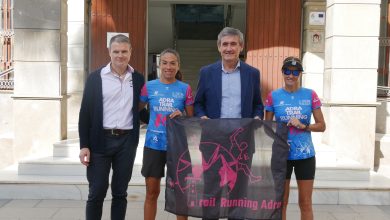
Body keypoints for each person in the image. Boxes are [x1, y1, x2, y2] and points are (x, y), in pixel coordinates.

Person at [194, 27, 263, 220]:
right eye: (225, 44)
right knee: (212, 189)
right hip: (214, 141)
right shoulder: (207, 72)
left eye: (233, 44)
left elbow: (258, 104)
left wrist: (257, 117)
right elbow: (198, 103)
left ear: (241, 46)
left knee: (238, 191)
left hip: (241, 142)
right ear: (219, 47)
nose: (229, 48)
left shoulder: (252, 73)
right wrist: (202, 116)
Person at [78, 34, 146, 220]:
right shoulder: (95, 78)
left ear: (130, 52)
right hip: (100, 142)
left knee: (120, 192)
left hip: (126, 143)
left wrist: (166, 116)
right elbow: (85, 114)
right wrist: (84, 145)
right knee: (97, 191)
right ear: (109, 52)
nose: (120, 55)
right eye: (116, 51)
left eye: (124, 51)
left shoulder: (138, 79)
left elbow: (140, 111)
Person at [264, 56, 326, 220]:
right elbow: (267, 128)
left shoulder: (310, 95)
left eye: (295, 72)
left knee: (305, 203)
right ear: (282, 72)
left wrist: (304, 126)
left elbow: (322, 125)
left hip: (305, 156)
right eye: (287, 71)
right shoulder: (273, 96)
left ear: (300, 74)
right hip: (282, 156)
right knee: (281, 202)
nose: (290, 75)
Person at [139, 48, 194, 220]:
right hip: (153, 145)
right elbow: (136, 111)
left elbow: (192, 118)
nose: (168, 67)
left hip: (178, 146)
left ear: (178, 65)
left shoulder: (185, 88)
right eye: (164, 63)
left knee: (180, 193)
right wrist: (151, 121)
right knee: (152, 192)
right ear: (159, 65)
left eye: (172, 63)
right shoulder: (149, 87)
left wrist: (182, 115)